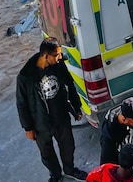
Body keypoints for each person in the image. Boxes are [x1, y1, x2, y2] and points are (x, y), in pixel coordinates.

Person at [16, 37, 89, 182]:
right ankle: (55, 175)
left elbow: (69, 83)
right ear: (45, 55)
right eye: (56, 55)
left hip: (60, 116)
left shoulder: (58, 64)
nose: (60, 57)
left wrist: (77, 107)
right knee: (46, 153)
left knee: (68, 146)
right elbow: (21, 104)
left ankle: (70, 170)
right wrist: (28, 128)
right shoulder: (26, 76)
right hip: (40, 123)